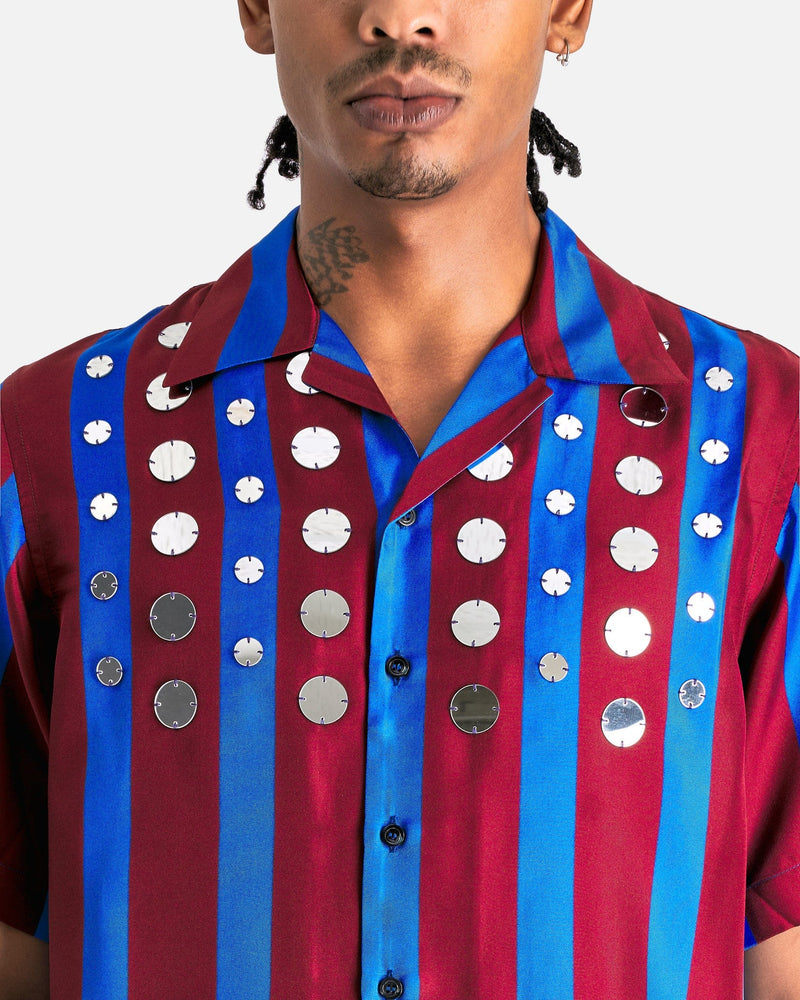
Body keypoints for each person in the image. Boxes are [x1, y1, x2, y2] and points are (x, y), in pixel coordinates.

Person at [1, 0, 798, 997]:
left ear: (566, 11)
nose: (399, 17)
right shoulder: (61, 443)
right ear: (256, 8)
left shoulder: (755, 442)